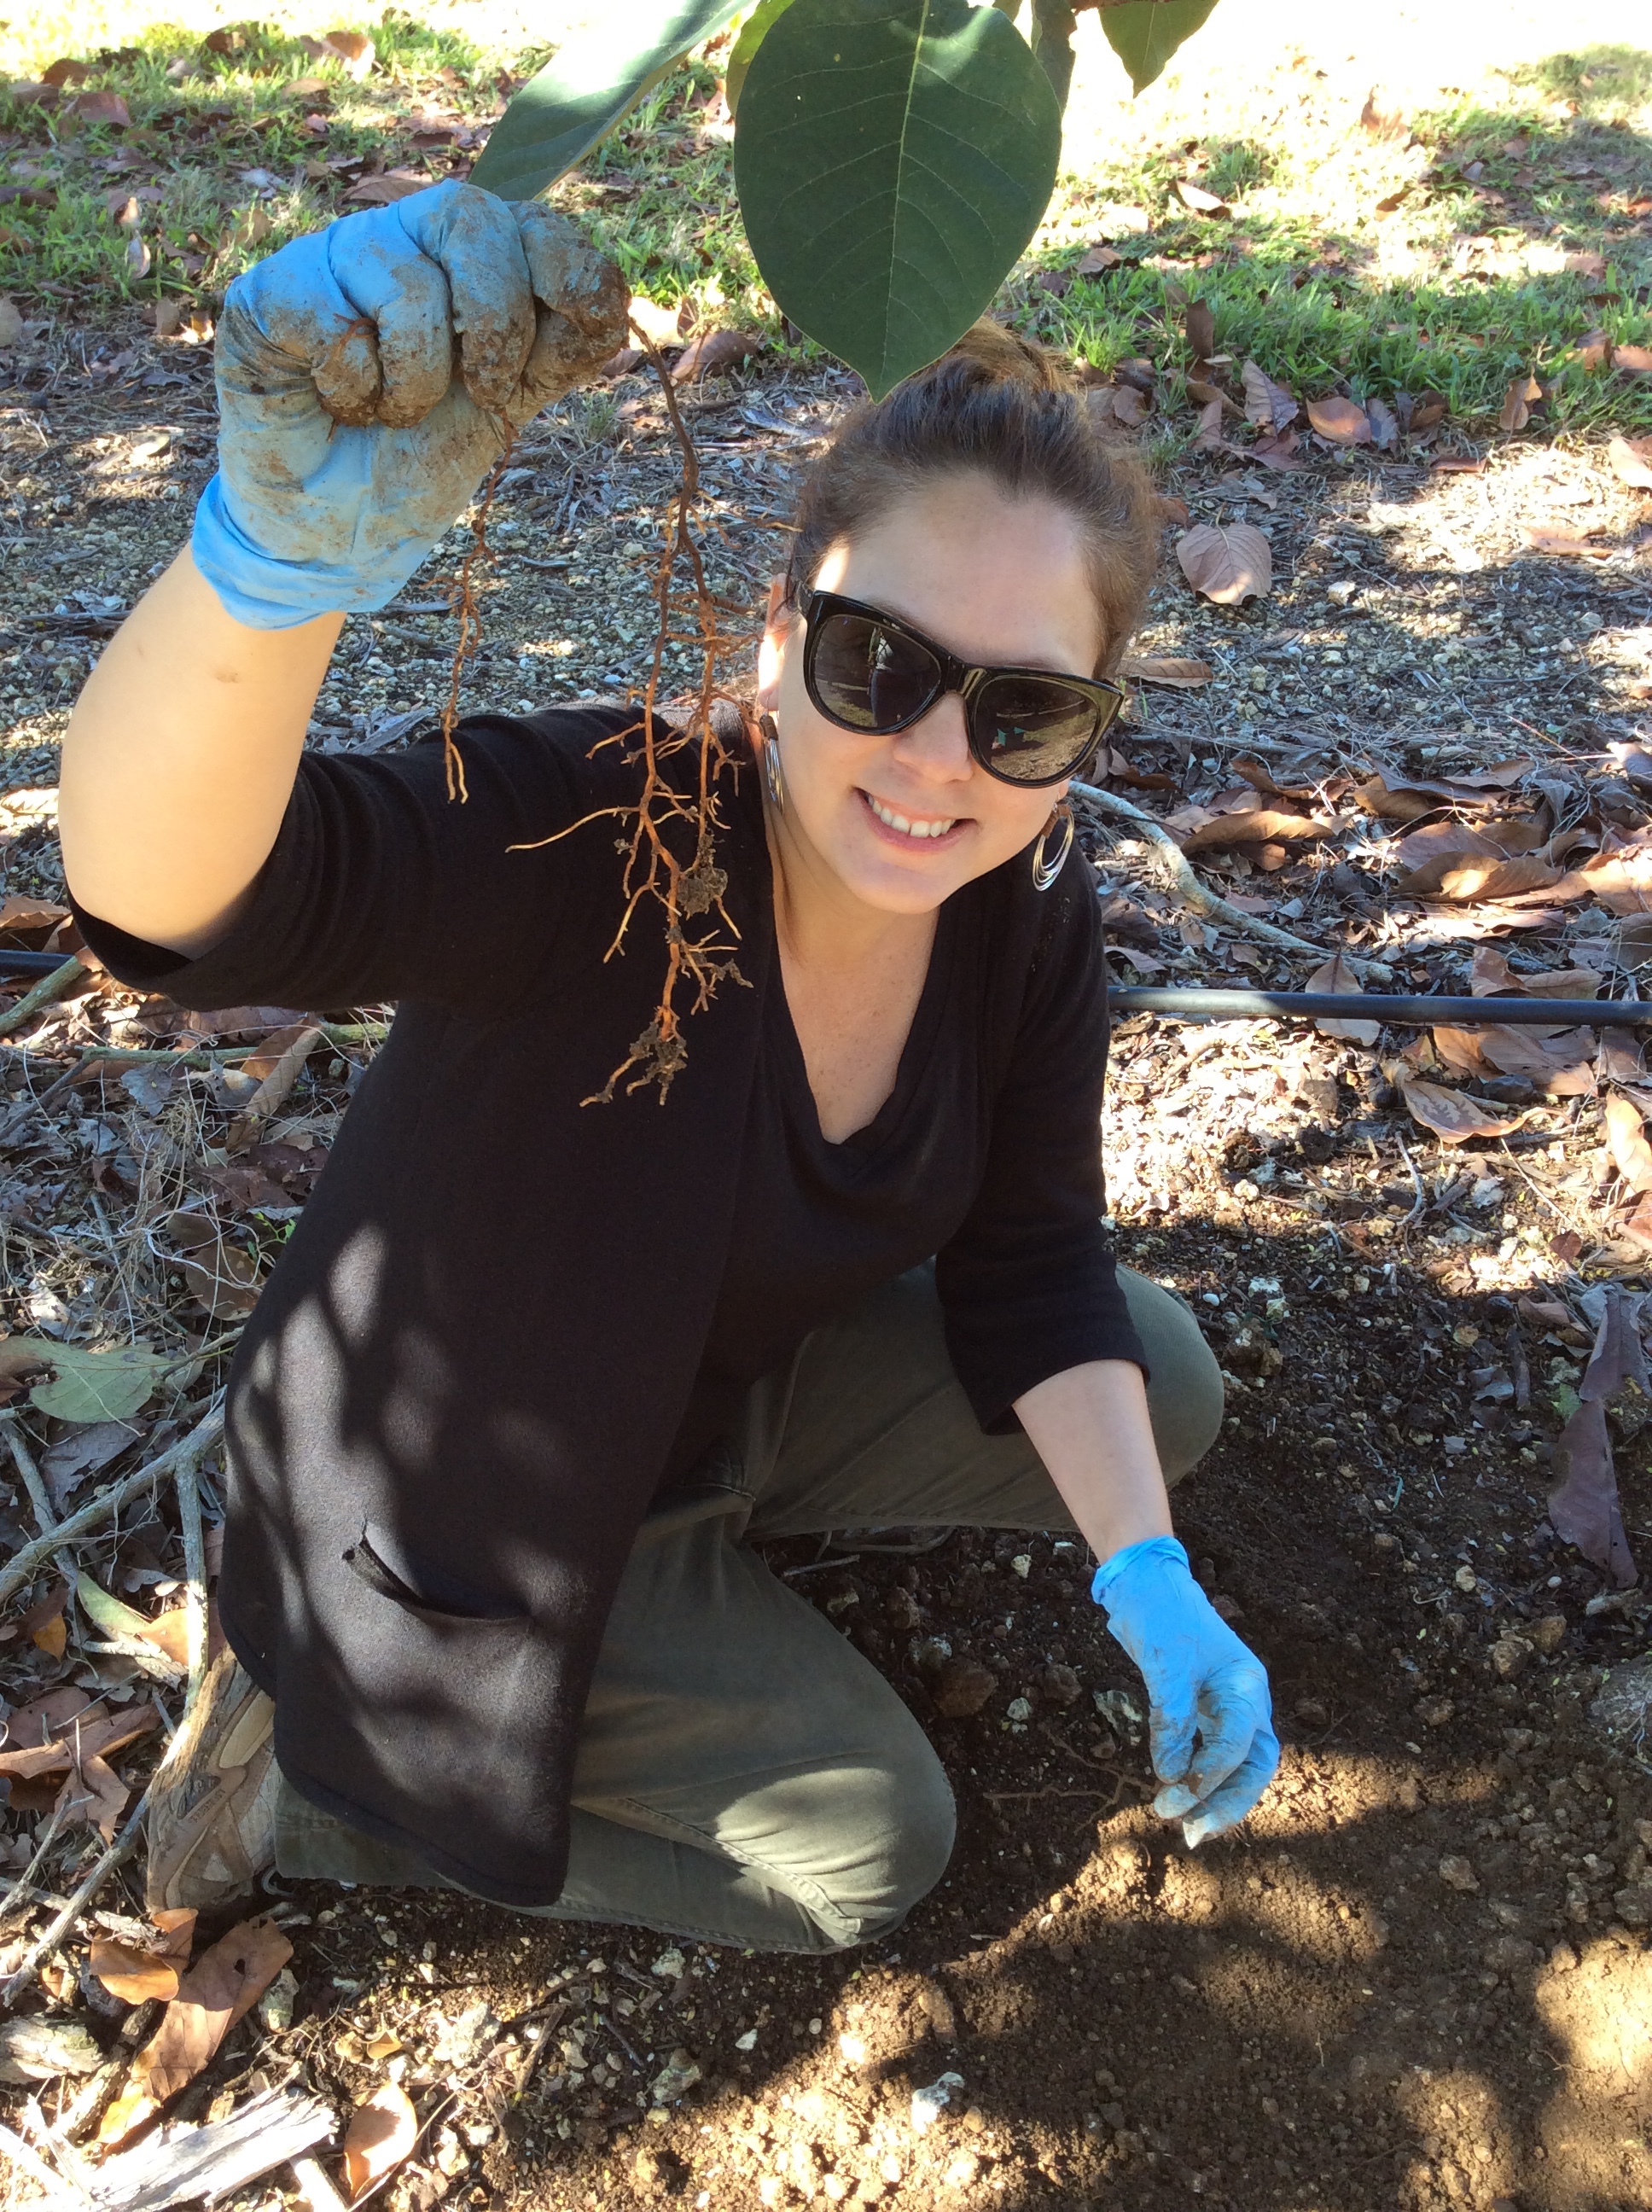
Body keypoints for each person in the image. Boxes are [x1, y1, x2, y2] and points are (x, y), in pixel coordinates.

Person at [57, 182, 1279, 1953]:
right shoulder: (600, 834)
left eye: (1022, 711)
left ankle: (716, 1565)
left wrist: (1149, 1581)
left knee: (1152, 1387)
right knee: (869, 1852)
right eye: (880, 666)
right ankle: (317, 1805)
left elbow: (1031, 1265)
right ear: (777, 644)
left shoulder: (1019, 894)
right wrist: (263, 575)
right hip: (460, 1516)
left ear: (1086, 728)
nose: (939, 759)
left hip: (710, 1395)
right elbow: (196, 903)